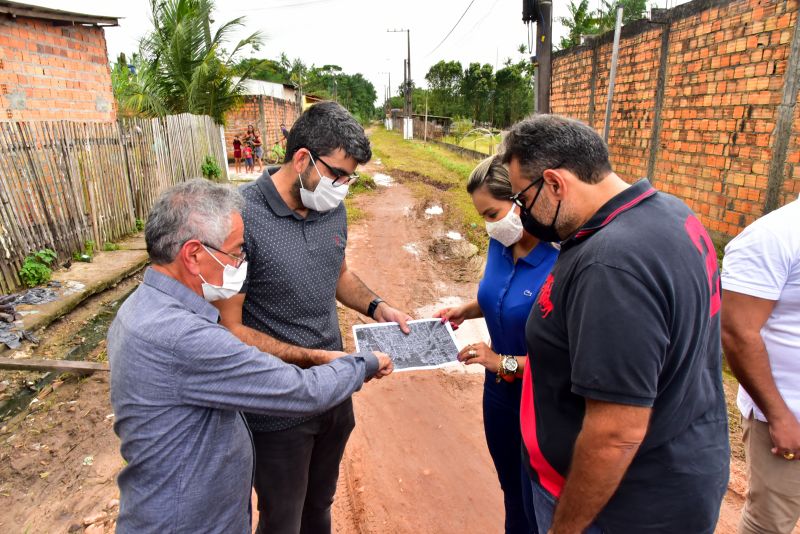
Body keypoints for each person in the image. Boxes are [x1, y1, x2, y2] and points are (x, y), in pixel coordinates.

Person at [107, 179, 393, 534]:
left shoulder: (141, 307)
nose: (242, 262)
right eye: (236, 252)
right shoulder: (184, 336)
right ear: (194, 255)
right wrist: (364, 362)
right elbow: (299, 390)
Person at [503, 114, 729, 534]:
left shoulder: (611, 264)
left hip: (618, 507)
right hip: (678, 467)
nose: (521, 213)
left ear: (554, 183)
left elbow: (616, 433)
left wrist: (565, 528)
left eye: (522, 198)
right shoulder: (669, 212)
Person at [214, 101, 412, 534]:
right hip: (276, 403)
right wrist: (312, 359)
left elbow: (337, 273)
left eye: (350, 178)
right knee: (282, 518)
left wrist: (379, 307)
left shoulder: (330, 208)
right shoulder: (239, 217)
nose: (343, 187)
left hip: (333, 393)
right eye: (339, 175)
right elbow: (230, 329)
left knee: (319, 505)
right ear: (302, 158)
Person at [434, 155, 558, 534]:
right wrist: (467, 309)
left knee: (539, 499)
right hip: (500, 397)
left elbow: (561, 364)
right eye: (483, 216)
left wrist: (499, 361)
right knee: (511, 491)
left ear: (521, 200)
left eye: (493, 213)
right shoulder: (501, 245)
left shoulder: (560, 262)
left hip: (541, 403)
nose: (488, 226)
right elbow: (500, 298)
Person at [721, 197, 800, 534]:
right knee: (770, 524)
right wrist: (780, 417)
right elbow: (737, 333)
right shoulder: (775, 236)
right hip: (788, 417)